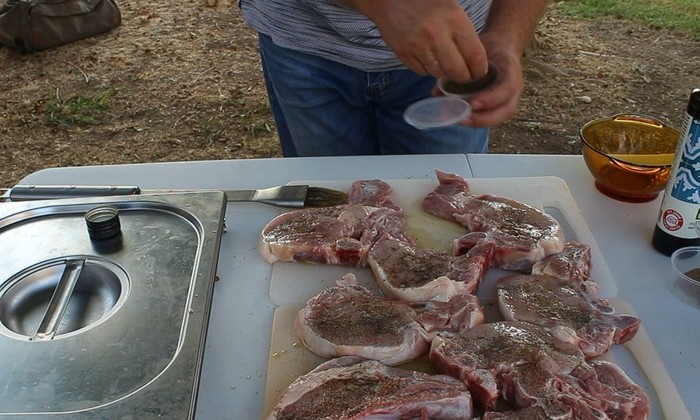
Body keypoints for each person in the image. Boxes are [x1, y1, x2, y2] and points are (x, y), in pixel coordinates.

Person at [239, 0, 549, 156]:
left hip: (457, 50)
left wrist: (507, 35)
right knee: (332, 210)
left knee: (450, 206)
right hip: (303, 38)